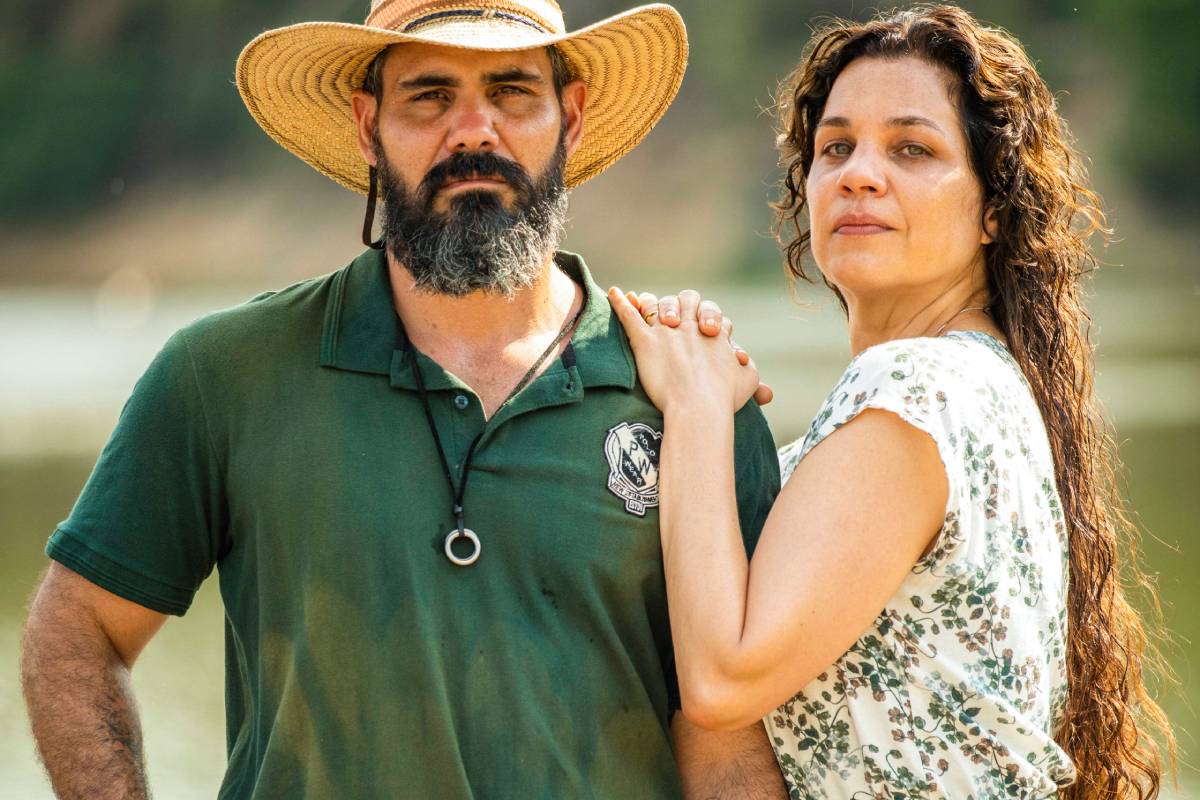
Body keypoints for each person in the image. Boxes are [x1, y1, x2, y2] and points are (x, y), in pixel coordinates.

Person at [19, 2, 788, 797]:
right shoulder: (223, 376)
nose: (473, 131)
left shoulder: (695, 395)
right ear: (367, 126)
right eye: (428, 95)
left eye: (513, 91)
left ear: (574, 115)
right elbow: (78, 631)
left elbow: (729, 743)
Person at [609, 5, 1174, 799]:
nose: (858, 173)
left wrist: (697, 408)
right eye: (835, 147)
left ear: (993, 210)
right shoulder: (984, 382)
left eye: (912, 148)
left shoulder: (917, 391)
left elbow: (725, 680)